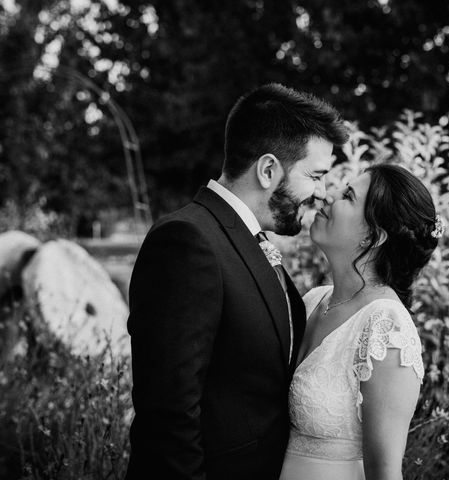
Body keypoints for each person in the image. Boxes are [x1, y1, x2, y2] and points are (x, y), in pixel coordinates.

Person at [125, 83, 349, 480]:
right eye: (315, 176)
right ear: (267, 170)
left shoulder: (248, 239)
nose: (320, 193)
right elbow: (167, 415)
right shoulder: (186, 241)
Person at [279, 164, 443, 480]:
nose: (326, 196)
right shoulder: (314, 300)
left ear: (375, 235)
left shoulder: (385, 327)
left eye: (348, 196)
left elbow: (384, 474)